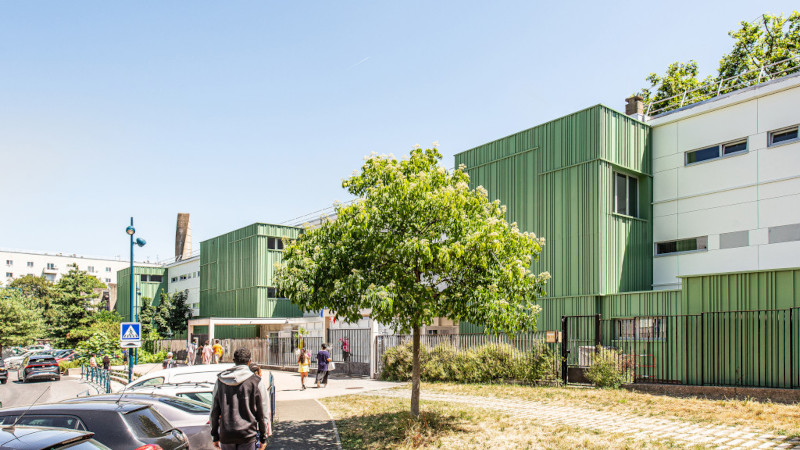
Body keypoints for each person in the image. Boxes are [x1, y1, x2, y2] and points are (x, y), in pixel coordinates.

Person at [211, 348, 271, 450]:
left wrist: (214, 436)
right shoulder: (256, 381)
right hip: (247, 434)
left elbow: (214, 411)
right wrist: (263, 437)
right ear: (249, 361)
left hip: (226, 434)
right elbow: (263, 412)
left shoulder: (221, 381)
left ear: (234, 360)